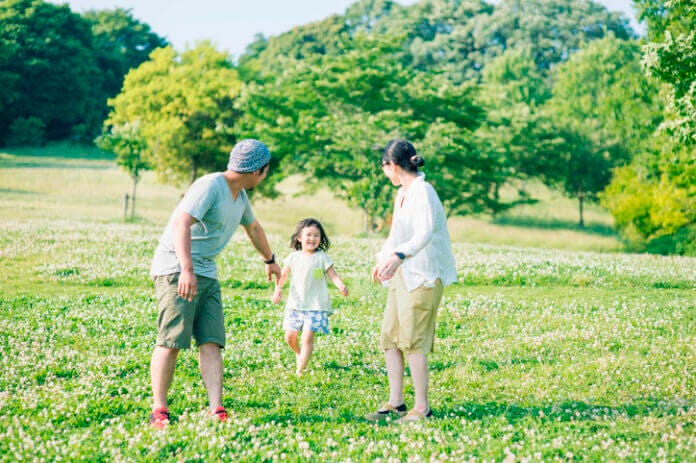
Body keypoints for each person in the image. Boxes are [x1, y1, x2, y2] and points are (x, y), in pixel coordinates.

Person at [148, 139, 281, 429]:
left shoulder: (240, 197)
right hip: (176, 268)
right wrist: (186, 269)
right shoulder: (210, 186)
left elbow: (254, 228)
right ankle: (159, 409)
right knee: (172, 340)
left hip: (206, 271)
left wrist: (269, 259)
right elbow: (181, 223)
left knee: (211, 340)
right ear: (259, 170)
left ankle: (215, 407)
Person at [366, 139, 457, 424]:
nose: (384, 173)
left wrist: (399, 256)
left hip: (424, 276)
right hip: (404, 273)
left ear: (392, 165)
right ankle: (396, 403)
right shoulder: (403, 193)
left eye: (383, 167)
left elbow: (424, 232)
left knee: (413, 342)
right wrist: (385, 259)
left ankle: (422, 408)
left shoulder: (423, 191)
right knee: (390, 337)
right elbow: (396, 235)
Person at [272, 218, 348, 376]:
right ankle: (300, 354)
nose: (312, 238)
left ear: (320, 239)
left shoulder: (322, 258)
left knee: (307, 337)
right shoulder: (293, 257)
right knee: (289, 336)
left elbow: (332, 275)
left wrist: (340, 285)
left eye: (316, 235)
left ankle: (300, 369)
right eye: (308, 235)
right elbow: (283, 275)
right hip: (295, 304)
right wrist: (277, 289)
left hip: (316, 305)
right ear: (299, 238)